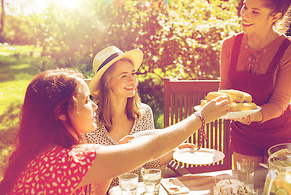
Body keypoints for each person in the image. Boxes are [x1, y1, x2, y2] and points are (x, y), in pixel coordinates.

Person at [0, 68, 230, 194]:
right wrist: (201, 117)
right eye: (86, 101)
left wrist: (114, 160)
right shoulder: (66, 160)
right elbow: (153, 148)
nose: (94, 105)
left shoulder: (51, 152)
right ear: (61, 112)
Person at [220, 0, 291, 167]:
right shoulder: (230, 45)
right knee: (245, 186)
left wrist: (251, 116)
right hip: (243, 135)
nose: (245, 15)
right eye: (245, 7)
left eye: (255, 11)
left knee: (282, 187)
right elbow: (225, 88)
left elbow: (278, 104)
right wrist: (220, 106)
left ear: (275, 16)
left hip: (281, 136)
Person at [84, 46, 186, 188]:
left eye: (133, 73)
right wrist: (117, 157)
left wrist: (173, 151)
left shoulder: (144, 113)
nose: (132, 80)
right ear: (107, 82)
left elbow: (149, 165)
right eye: (124, 76)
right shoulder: (89, 120)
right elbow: (92, 177)